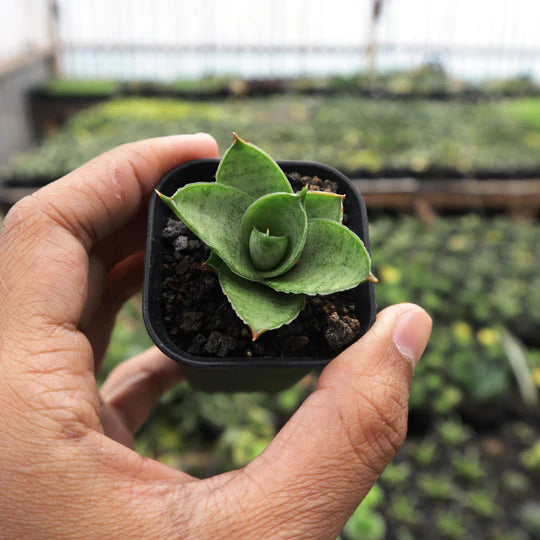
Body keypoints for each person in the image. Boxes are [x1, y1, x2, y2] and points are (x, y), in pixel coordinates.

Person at [0, 133, 431, 538]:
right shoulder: (223, 240)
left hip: (276, 300)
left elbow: (348, 268)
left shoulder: (307, 246)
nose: (267, 239)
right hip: (240, 288)